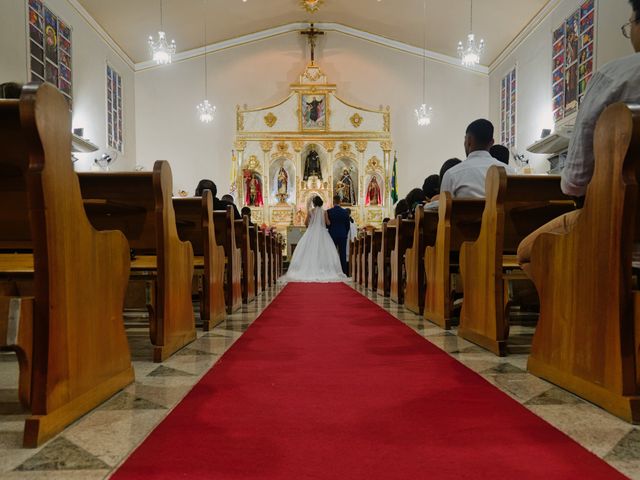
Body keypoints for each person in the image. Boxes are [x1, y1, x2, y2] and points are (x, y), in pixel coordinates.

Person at [518, 0, 640, 267]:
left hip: (617, 231)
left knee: (527, 253)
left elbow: (573, 181)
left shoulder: (613, 78)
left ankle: (573, 307)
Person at [439, 119, 515, 199]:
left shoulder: (452, 174)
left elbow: (445, 209)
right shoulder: (510, 172)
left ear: (468, 140)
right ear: (492, 142)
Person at [280, 196, 346, 282]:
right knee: (323, 251)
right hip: (322, 233)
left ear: (314, 203)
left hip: (311, 232)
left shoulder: (311, 211)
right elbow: (328, 223)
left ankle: (307, 269)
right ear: (321, 203)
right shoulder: (324, 212)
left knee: (309, 250)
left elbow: (306, 223)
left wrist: (311, 224)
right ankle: (324, 269)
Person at [327, 194, 351, 275]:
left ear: (333, 202)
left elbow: (328, 224)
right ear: (340, 202)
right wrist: (345, 233)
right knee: (342, 254)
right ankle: (343, 271)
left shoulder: (329, 211)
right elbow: (348, 225)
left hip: (332, 234)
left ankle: (332, 271)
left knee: (332, 254)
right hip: (342, 235)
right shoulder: (345, 212)